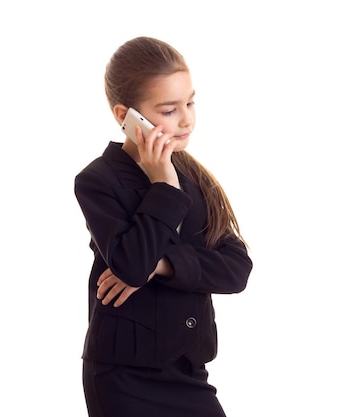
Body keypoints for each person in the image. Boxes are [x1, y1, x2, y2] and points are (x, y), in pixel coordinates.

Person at [74, 36, 253, 417]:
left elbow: (237, 269)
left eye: (190, 102)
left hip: (189, 371)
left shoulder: (194, 176)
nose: (187, 119)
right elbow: (131, 265)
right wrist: (163, 187)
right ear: (126, 115)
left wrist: (165, 264)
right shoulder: (97, 181)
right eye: (169, 109)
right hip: (123, 376)